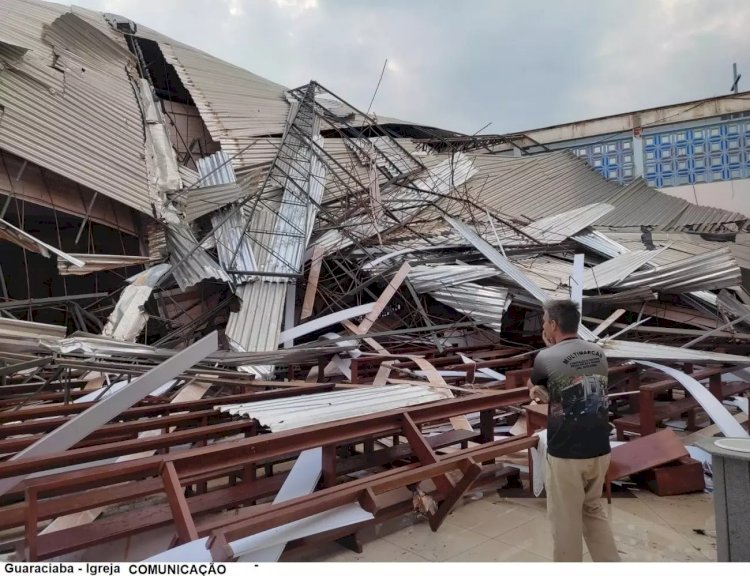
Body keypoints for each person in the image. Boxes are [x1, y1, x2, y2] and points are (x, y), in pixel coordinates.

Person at [529, 299, 620, 562]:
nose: (543, 325)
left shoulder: (545, 357)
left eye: (545, 321)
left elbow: (536, 389)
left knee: (565, 521)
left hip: (567, 452)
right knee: (592, 510)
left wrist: (548, 351)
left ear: (554, 324)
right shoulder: (598, 353)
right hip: (600, 448)